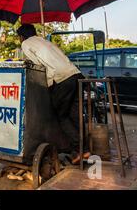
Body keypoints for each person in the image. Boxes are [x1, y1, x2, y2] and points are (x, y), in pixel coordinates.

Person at [17, 24, 89, 164]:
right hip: (76, 75)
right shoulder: (44, 41)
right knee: (75, 115)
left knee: (60, 116)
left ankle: (77, 150)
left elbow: (39, 66)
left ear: (21, 36)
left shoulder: (26, 43)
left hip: (61, 79)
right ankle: (84, 150)